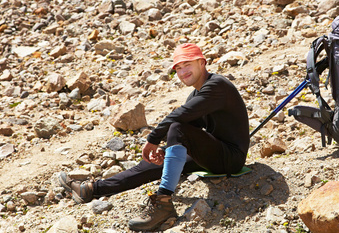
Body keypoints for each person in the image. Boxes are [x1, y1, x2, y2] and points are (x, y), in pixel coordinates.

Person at [58, 43, 249, 231]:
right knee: (155, 162)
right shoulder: (196, 95)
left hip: (231, 158)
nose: (183, 73)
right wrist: (165, 149)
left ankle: (163, 203)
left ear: (202, 63)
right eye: (178, 69)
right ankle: (92, 189)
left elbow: (179, 119)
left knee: (177, 126)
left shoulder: (217, 86)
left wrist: (152, 140)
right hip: (213, 154)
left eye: (187, 65)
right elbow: (190, 129)